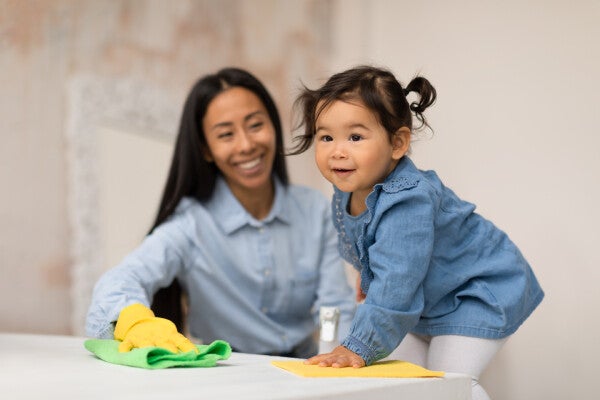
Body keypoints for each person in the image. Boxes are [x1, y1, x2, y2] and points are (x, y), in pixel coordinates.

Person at [289, 65, 544, 399]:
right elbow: (374, 251)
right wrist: (366, 282)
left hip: (476, 291)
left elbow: (397, 282)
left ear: (397, 143)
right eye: (326, 137)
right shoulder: (348, 189)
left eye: (355, 137)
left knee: (446, 383)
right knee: (399, 383)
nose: (338, 150)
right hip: (426, 299)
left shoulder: (408, 201)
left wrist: (357, 345)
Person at [85, 67, 356, 358]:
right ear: (206, 149)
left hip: (307, 371)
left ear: (274, 126)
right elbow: (119, 281)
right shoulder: (191, 225)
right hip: (224, 371)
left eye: (255, 125)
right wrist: (135, 320)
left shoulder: (315, 210)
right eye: (226, 134)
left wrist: (337, 355)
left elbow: (336, 307)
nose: (246, 144)